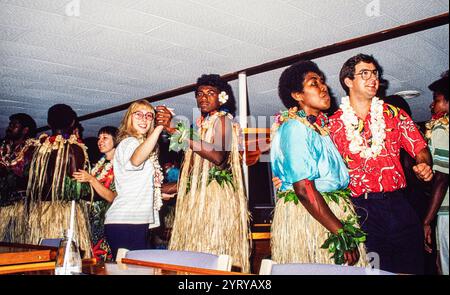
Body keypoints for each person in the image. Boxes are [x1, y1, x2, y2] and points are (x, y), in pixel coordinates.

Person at [328, 54, 433, 274]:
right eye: (364, 73)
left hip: (398, 205)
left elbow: (420, 148)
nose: (372, 78)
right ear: (348, 81)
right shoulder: (333, 124)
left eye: (375, 73)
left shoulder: (396, 114)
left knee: (412, 268)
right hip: (359, 209)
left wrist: (423, 164)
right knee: (375, 270)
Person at [270, 61, 367, 266]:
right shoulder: (295, 127)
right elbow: (304, 189)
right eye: (314, 83)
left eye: (322, 81)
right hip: (311, 218)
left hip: (330, 211)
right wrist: (340, 233)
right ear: (297, 95)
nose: (324, 87)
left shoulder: (320, 129)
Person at [163, 74, 251, 273]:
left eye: (210, 93)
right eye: (200, 94)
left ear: (222, 97)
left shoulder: (224, 121)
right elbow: (194, 171)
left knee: (212, 254)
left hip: (216, 200)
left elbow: (218, 157)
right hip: (197, 197)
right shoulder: (200, 127)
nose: (203, 97)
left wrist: (178, 132)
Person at [26, 104, 93, 257]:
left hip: (40, 213)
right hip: (65, 215)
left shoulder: (38, 149)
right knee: (67, 258)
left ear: (49, 123)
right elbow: (78, 189)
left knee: (42, 258)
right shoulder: (74, 149)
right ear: (72, 123)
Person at [103, 100, 164, 260]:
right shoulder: (129, 142)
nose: (144, 119)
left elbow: (137, 184)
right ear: (129, 118)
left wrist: (161, 193)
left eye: (149, 115)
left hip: (135, 221)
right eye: (139, 114)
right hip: (126, 221)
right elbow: (135, 161)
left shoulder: (140, 144)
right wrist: (159, 129)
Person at [73, 126, 118, 261]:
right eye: (99, 138)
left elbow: (112, 197)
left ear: (116, 141)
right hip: (90, 221)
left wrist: (91, 179)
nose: (100, 141)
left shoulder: (120, 165)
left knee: (104, 262)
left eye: (105, 138)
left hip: (106, 223)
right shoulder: (101, 164)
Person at [423, 71, 449, 275]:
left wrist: (427, 220)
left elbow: (442, 178)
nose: (432, 105)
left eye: (436, 100)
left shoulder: (442, 127)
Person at [0, 113, 36, 242]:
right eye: (10, 124)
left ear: (25, 130)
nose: (9, 127)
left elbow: (30, 178)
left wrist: (9, 172)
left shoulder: (32, 150)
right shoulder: (3, 147)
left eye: (14, 125)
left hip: (19, 206)